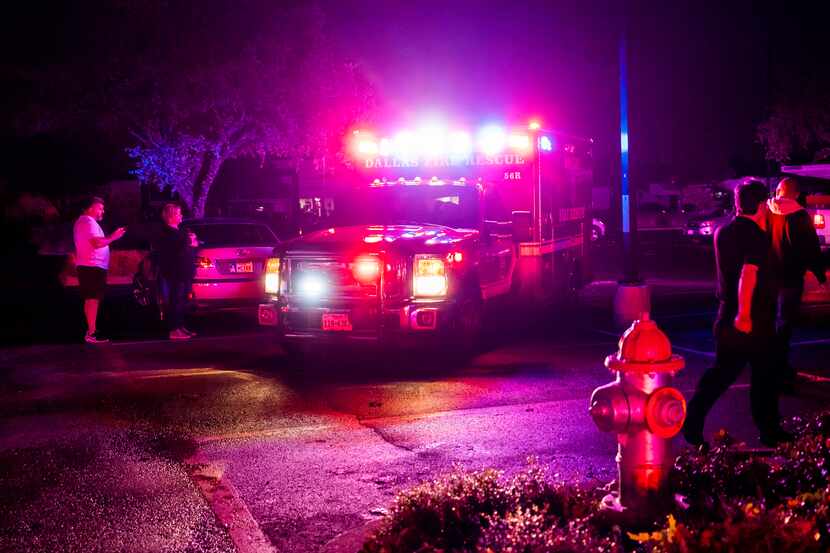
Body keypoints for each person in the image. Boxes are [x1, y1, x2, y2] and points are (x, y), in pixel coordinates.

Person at [683, 180, 791, 449]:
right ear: (759, 205)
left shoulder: (723, 231)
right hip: (751, 319)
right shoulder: (755, 235)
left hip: (726, 312)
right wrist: (745, 315)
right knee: (764, 375)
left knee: (722, 373)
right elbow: (748, 273)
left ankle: (692, 421)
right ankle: (770, 431)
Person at [766, 177, 827, 391]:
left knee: (771, 325)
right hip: (790, 279)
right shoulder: (799, 216)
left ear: (779, 191)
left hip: (769, 279)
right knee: (784, 325)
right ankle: (781, 371)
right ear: (795, 193)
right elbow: (810, 248)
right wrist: (820, 276)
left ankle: (770, 368)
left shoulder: (767, 211)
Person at [73, 196, 126, 344]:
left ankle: (92, 331)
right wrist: (113, 237)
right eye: (100, 207)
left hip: (92, 266)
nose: (103, 210)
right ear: (90, 208)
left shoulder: (87, 222)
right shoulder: (87, 222)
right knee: (92, 299)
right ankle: (92, 332)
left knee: (92, 299)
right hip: (91, 266)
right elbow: (96, 243)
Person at [155, 202, 198, 340]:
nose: (181, 216)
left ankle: (180, 326)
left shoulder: (180, 231)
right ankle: (173, 329)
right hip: (176, 272)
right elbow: (174, 252)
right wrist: (189, 242)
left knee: (182, 300)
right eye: (179, 214)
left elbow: (188, 248)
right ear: (171, 216)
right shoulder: (167, 233)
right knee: (175, 300)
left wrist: (192, 244)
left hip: (184, 271)